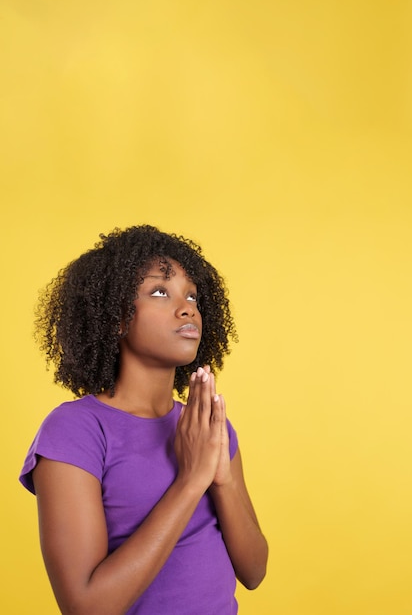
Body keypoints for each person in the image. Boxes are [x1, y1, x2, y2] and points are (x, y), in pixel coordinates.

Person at [19, 224, 268, 615]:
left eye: (192, 295)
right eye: (159, 291)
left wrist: (220, 478)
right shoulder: (75, 431)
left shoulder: (206, 426)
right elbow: (86, 608)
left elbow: (254, 571)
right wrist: (190, 481)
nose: (187, 307)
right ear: (115, 317)